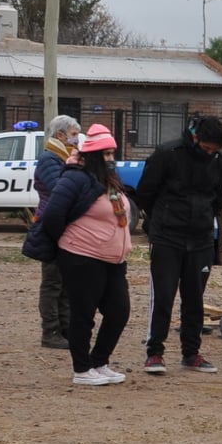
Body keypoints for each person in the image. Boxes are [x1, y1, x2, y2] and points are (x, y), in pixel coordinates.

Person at [132, 114, 222, 375]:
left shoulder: (220, 161)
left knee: (195, 299)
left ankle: (191, 353)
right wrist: (162, 219)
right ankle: (155, 352)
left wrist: (205, 218)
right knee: (163, 296)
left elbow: (220, 197)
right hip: (167, 237)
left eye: (214, 150)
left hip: (200, 240)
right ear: (196, 137)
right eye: (206, 148)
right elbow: (144, 193)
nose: (210, 154)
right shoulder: (167, 154)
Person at [37, 124, 133, 386]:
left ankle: (99, 361)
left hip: (113, 259)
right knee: (84, 314)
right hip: (82, 257)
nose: (111, 159)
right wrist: (70, 242)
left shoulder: (109, 179)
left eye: (113, 153)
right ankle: (82, 369)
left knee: (119, 311)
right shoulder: (76, 178)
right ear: (93, 155)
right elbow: (52, 216)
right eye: (106, 154)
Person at [32, 115, 81, 350]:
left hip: (64, 225)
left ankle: (64, 328)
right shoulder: (51, 159)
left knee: (65, 281)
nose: (76, 138)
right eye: (73, 133)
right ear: (60, 135)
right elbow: (61, 189)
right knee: (53, 282)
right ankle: (50, 330)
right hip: (51, 225)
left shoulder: (64, 158)